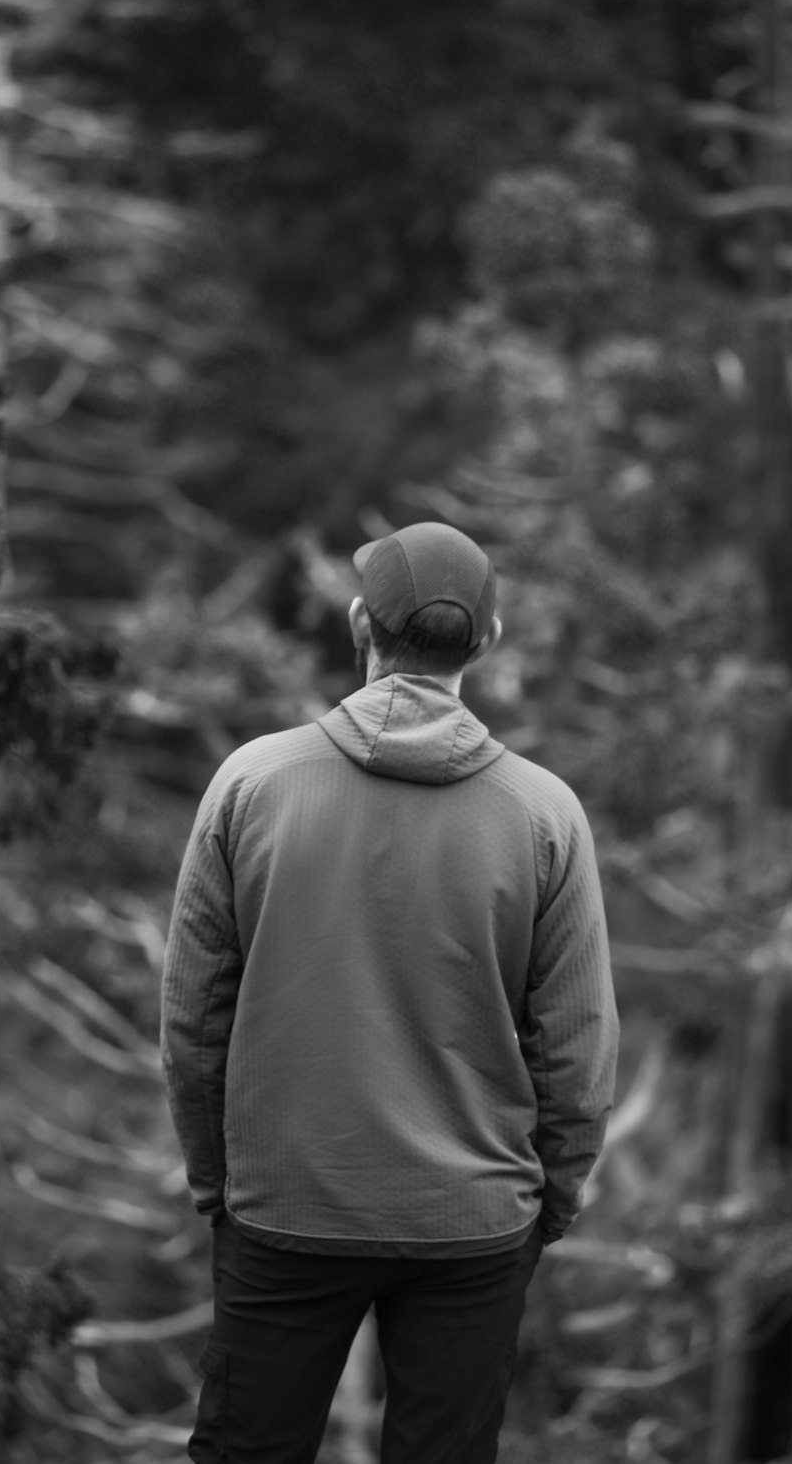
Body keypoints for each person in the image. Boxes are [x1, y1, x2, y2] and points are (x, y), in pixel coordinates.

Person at [161, 521, 619, 1464]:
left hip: (286, 1206)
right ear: (486, 643)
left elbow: (194, 1022)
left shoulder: (253, 783)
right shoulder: (544, 815)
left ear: (361, 622)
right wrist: (551, 1204)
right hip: (474, 1223)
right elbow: (574, 1047)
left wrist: (220, 1185)